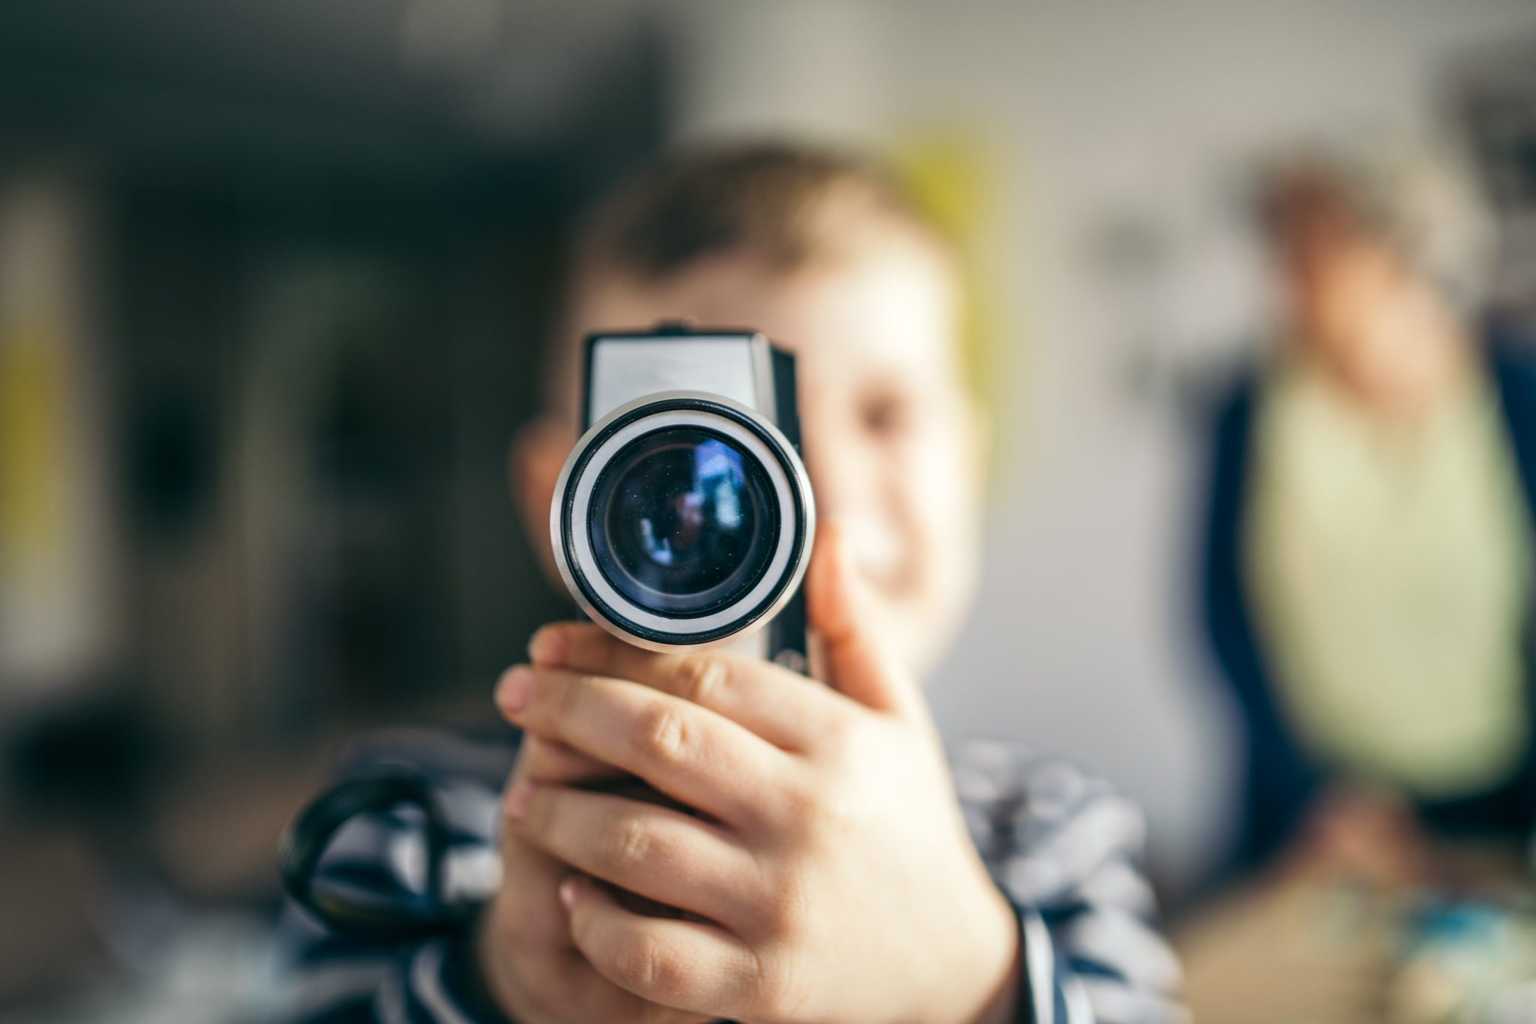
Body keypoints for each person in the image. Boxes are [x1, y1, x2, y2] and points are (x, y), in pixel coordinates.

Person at [280, 143, 1184, 1024]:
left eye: (885, 414)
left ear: (970, 462)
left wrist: (972, 983)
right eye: (710, 438)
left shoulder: (1053, 834)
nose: (817, 484)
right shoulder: (407, 820)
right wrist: (500, 990)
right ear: (560, 502)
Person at [1187, 135, 1536, 1020]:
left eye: (1309, 255)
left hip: (1501, 806)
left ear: (1397, 260)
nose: (1283, 283)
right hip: (1317, 822)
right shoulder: (1249, 405)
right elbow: (1220, 616)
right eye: (1279, 257)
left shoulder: (1516, 393)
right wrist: (1317, 797)